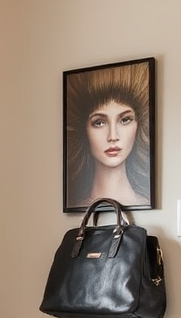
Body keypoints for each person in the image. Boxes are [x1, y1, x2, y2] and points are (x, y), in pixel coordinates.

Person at [65, 61, 152, 210]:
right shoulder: (78, 205)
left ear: (138, 125)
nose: (113, 136)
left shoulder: (143, 202)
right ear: (84, 129)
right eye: (99, 122)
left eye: (125, 120)